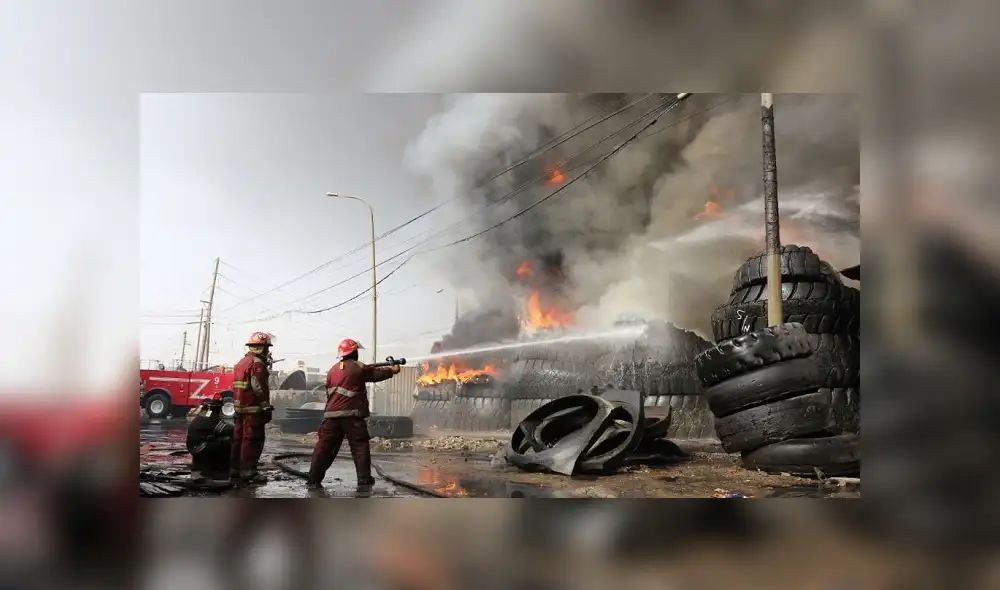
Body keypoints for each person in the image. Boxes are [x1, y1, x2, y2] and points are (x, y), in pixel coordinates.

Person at [306, 338, 400, 489]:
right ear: (354, 352)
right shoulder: (358, 367)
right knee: (359, 446)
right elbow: (375, 375)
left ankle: (313, 479)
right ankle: (364, 479)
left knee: (324, 448)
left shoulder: (332, 370)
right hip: (352, 415)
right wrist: (392, 371)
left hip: (331, 416)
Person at [229, 331, 274, 485]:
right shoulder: (257, 364)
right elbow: (258, 387)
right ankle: (248, 472)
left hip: (240, 408)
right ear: (262, 348)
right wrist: (266, 407)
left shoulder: (241, 362)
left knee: (238, 440)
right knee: (252, 440)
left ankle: (235, 469)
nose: (268, 351)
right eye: (267, 347)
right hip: (253, 410)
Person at [186, 398, 234, 481]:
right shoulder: (210, 418)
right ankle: (221, 473)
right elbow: (227, 429)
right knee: (226, 442)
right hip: (199, 448)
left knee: (219, 441)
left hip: (195, 447)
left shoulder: (203, 415)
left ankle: (207, 470)